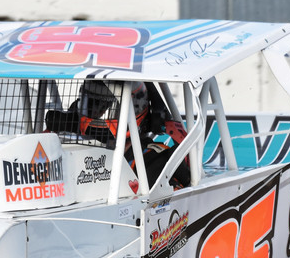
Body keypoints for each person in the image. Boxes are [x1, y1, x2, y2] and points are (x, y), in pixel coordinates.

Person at [48, 80, 190, 190]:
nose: (97, 114)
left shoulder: (152, 161)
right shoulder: (69, 154)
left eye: (106, 107)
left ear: (131, 110)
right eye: (90, 105)